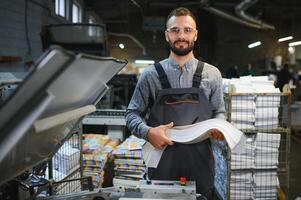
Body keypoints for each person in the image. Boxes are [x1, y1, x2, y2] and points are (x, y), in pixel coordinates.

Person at [125, 7, 226, 200]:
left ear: (195, 35)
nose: (181, 35)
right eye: (175, 30)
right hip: (161, 164)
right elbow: (131, 114)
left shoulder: (212, 75)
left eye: (187, 30)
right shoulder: (150, 76)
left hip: (201, 166)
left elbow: (219, 111)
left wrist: (219, 126)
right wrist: (148, 132)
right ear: (166, 35)